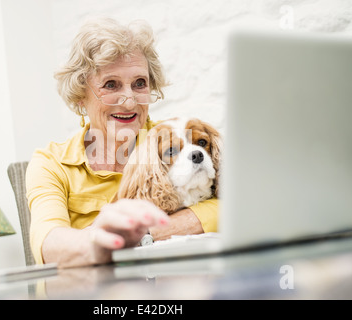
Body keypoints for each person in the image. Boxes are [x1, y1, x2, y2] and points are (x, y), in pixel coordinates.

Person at [26, 17, 220, 268]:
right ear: (81, 96)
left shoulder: (171, 139)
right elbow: (49, 246)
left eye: (139, 83)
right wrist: (105, 243)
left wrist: (144, 235)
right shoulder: (51, 163)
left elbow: (234, 203)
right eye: (111, 85)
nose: (129, 101)